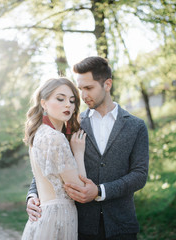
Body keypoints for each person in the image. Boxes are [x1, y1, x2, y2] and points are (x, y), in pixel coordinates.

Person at [26, 56, 149, 240]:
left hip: (121, 226)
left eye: (88, 88)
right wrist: (32, 195)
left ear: (107, 84)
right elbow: (51, 164)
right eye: (80, 89)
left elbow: (139, 175)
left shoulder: (136, 126)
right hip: (80, 227)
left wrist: (100, 191)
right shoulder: (71, 124)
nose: (83, 96)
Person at [21, 77, 88, 240]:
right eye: (60, 99)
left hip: (43, 216)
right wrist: (78, 152)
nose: (68, 105)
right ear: (44, 103)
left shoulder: (38, 134)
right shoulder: (56, 138)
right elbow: (80, 188)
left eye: (72, 101)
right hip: (58, 217)